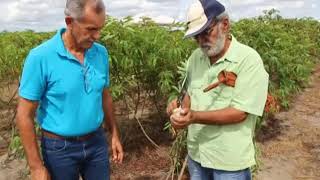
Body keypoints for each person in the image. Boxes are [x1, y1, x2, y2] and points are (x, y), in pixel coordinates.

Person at [16, 0, 123, 180]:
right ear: (69, 22)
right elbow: (24, 115)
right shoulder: (41, 57)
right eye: (90, 29)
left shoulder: (101, 53)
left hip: (96, 143)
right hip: (59, 149)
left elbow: (104, 95)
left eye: (100, 28)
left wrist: (114, 134)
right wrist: (36, 167)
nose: (97, 36)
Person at [167, 0, 269, 179]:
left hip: (228, 161)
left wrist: (194, 117)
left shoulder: (248, 60)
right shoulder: (195, 58)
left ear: (225, 25)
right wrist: (179, 109)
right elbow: (190, 94)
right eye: (196, 36)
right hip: (197, 155)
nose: (201, 41)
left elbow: (240, 112)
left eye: (206, 32)